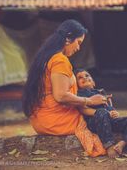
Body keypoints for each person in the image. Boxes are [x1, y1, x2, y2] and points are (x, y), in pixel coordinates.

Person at [22, 19, 108, 156]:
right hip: (55, 119)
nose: (78, 48)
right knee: (98, 117)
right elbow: (61, 95)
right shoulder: (59, 60)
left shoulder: (46, 57)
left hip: (40, 120)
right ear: (68, 39)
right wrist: (90, 101)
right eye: (78, 42)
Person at [76, 69, 127, 157]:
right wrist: (103, 113)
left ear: (93, 82)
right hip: (95, 122)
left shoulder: (101, 92)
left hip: (110, 121)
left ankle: (122, 143)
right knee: (102, 112)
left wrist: (114, 113)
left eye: (87, 75)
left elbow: (109, 108)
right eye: (80, 77)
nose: (84, 77)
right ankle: (109, 146)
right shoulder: (79, 94)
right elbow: (82, 109)